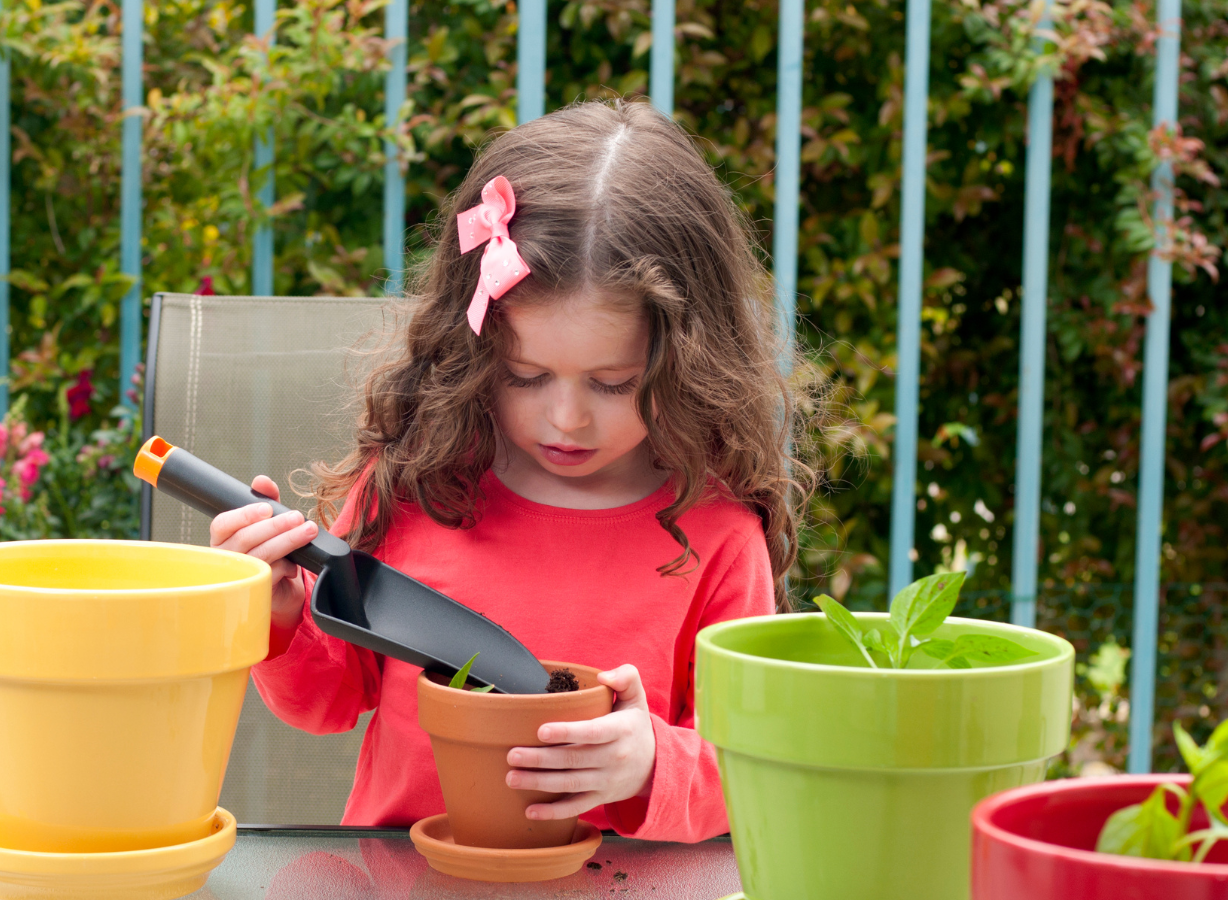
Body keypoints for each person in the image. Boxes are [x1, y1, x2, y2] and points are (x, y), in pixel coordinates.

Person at [211, 100, 809, 843]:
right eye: (526, 375)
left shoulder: (715, 534)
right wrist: (279, 610)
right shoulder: (418, 480)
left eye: (614, 383)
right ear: (475, 349)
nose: (566, 419)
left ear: (693, 365)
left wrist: (654, 761)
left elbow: (752, 765)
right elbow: (325, 702)